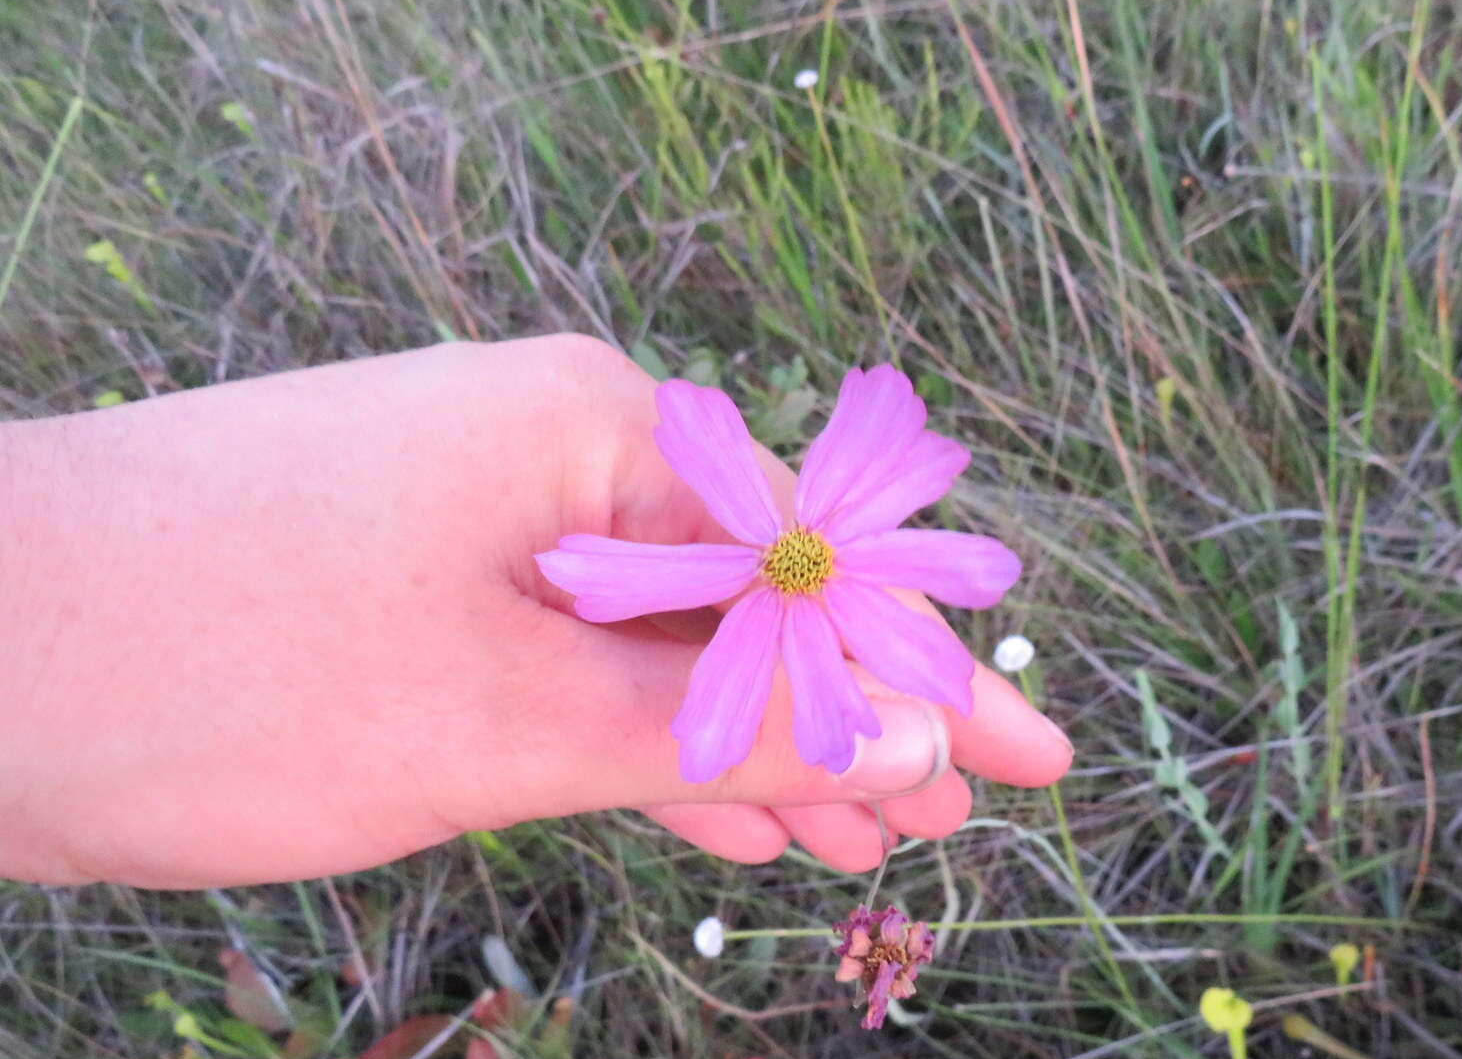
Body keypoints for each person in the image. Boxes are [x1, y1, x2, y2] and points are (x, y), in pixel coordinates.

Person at [0, 335, 1071, 889]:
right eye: (794, 553)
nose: (798, 553)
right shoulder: (764, 560)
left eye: (805, 553)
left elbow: (896, 465)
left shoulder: (815, 551)